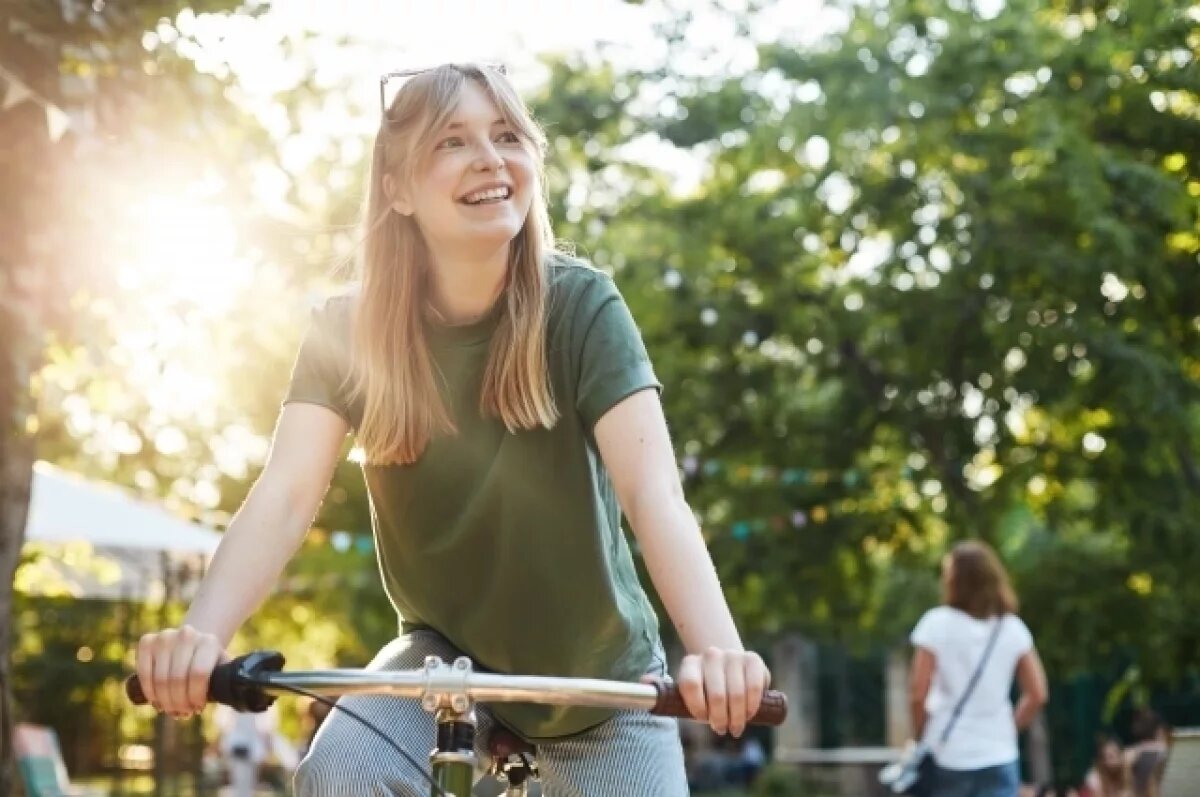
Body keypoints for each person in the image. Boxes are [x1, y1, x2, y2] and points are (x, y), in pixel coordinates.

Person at [133, 62, 770, 796]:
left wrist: (719, 650)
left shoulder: (582, 308)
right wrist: (201, 637)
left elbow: (654, 495)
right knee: (342, 774)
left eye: (507, 135)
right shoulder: (346, 330)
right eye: (452, 141)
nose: (490, 157)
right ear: (397, 189)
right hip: (442, 660)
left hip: (595, 668)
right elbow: (283, 495)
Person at [907, 540, 1050, 797]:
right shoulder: (1012, 628)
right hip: (999, 752)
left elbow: (918, 693)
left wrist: (921, 736)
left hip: (948, 753)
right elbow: (1037, 693)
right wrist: (1009, 728)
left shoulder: (935, 624)